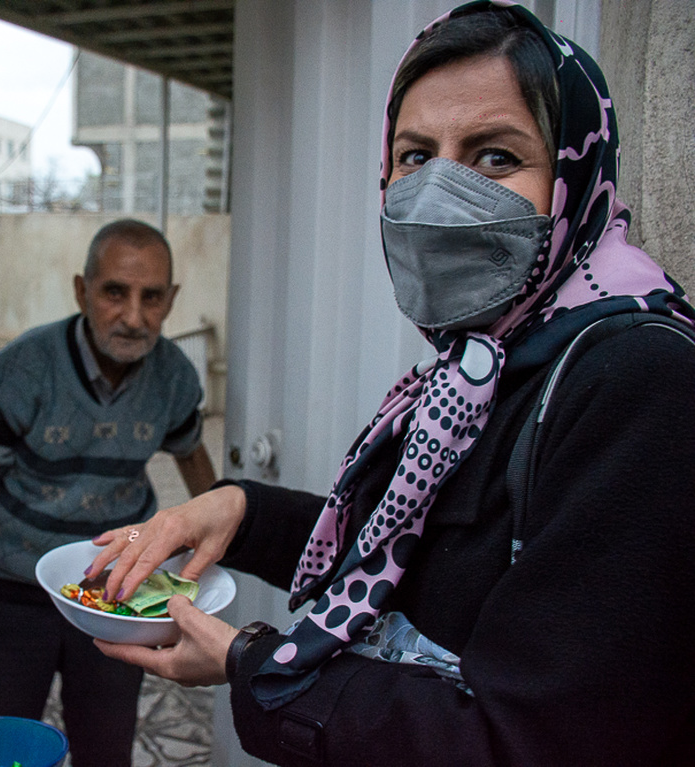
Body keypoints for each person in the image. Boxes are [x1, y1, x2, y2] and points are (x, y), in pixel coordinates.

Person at [86, 3, 695, 765]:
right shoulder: (479, 364)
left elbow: (528, 739)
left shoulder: (639, 382)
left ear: (574, 174)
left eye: (494, 157)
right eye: (414, 156)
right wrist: (238, 509)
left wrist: (255, 665)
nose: (438, 195)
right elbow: (400, 552)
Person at [0, 218, 217, 765]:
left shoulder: (175, 377)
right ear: (81, 290)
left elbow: (192, 459)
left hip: (121, 592)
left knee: (106, 746)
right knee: (7, 745)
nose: (134, 317)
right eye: (115, 292)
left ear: (171, 299)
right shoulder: (22, 369)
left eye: (151, 297)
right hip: (19, 592)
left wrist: (216, 550)